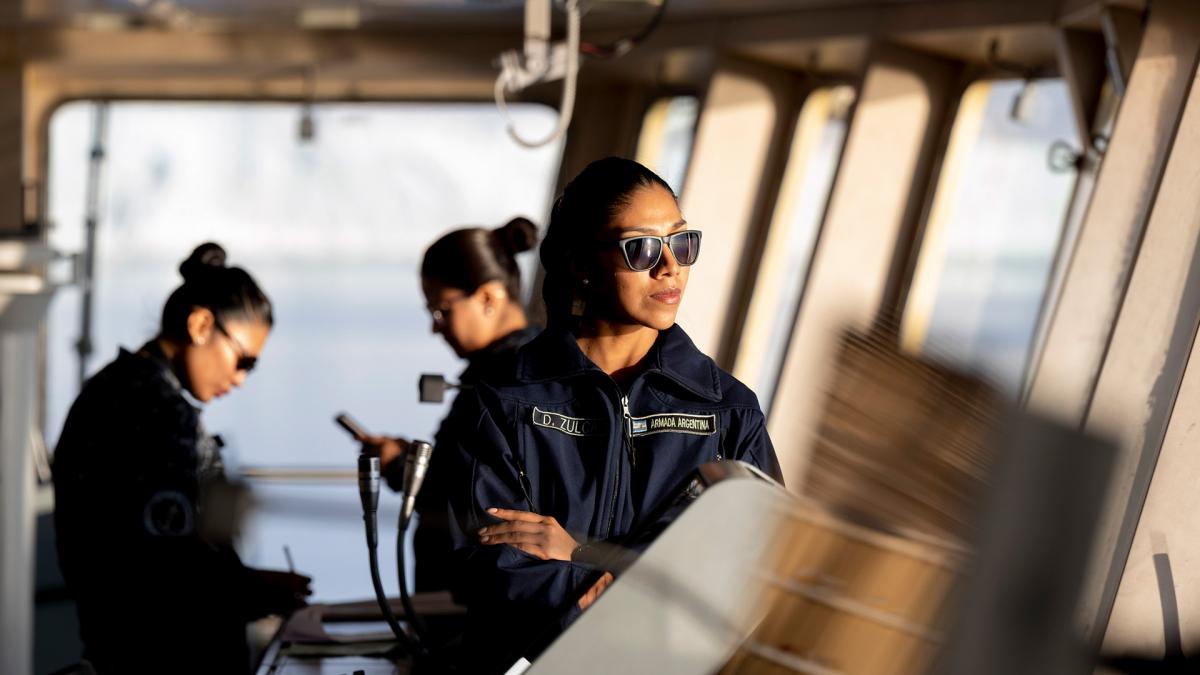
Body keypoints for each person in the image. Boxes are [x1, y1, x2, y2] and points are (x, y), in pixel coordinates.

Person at [442, 157, 784, 673]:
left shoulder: (728, 412)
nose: (669, 265)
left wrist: (581, 555)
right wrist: (655, 589)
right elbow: (498, 577)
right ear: (582, 263)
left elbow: (757, 577)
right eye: (642, 248)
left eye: (682, 242)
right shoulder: (505, 402)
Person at [52, 243, 312, 675]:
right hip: (164, 654)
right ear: (201, 324)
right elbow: (167, 563)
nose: (241, 378)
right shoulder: (154, 408)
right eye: (243, 359)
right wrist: (256, 588)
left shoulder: (118, 388)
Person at [357, 217, 541, 594]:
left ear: (488, 298)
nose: (435, 327)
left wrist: (399, 466)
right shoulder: (515, 372)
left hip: (470, 608)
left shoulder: (502, 386)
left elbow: (469, 498)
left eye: (441, 311)